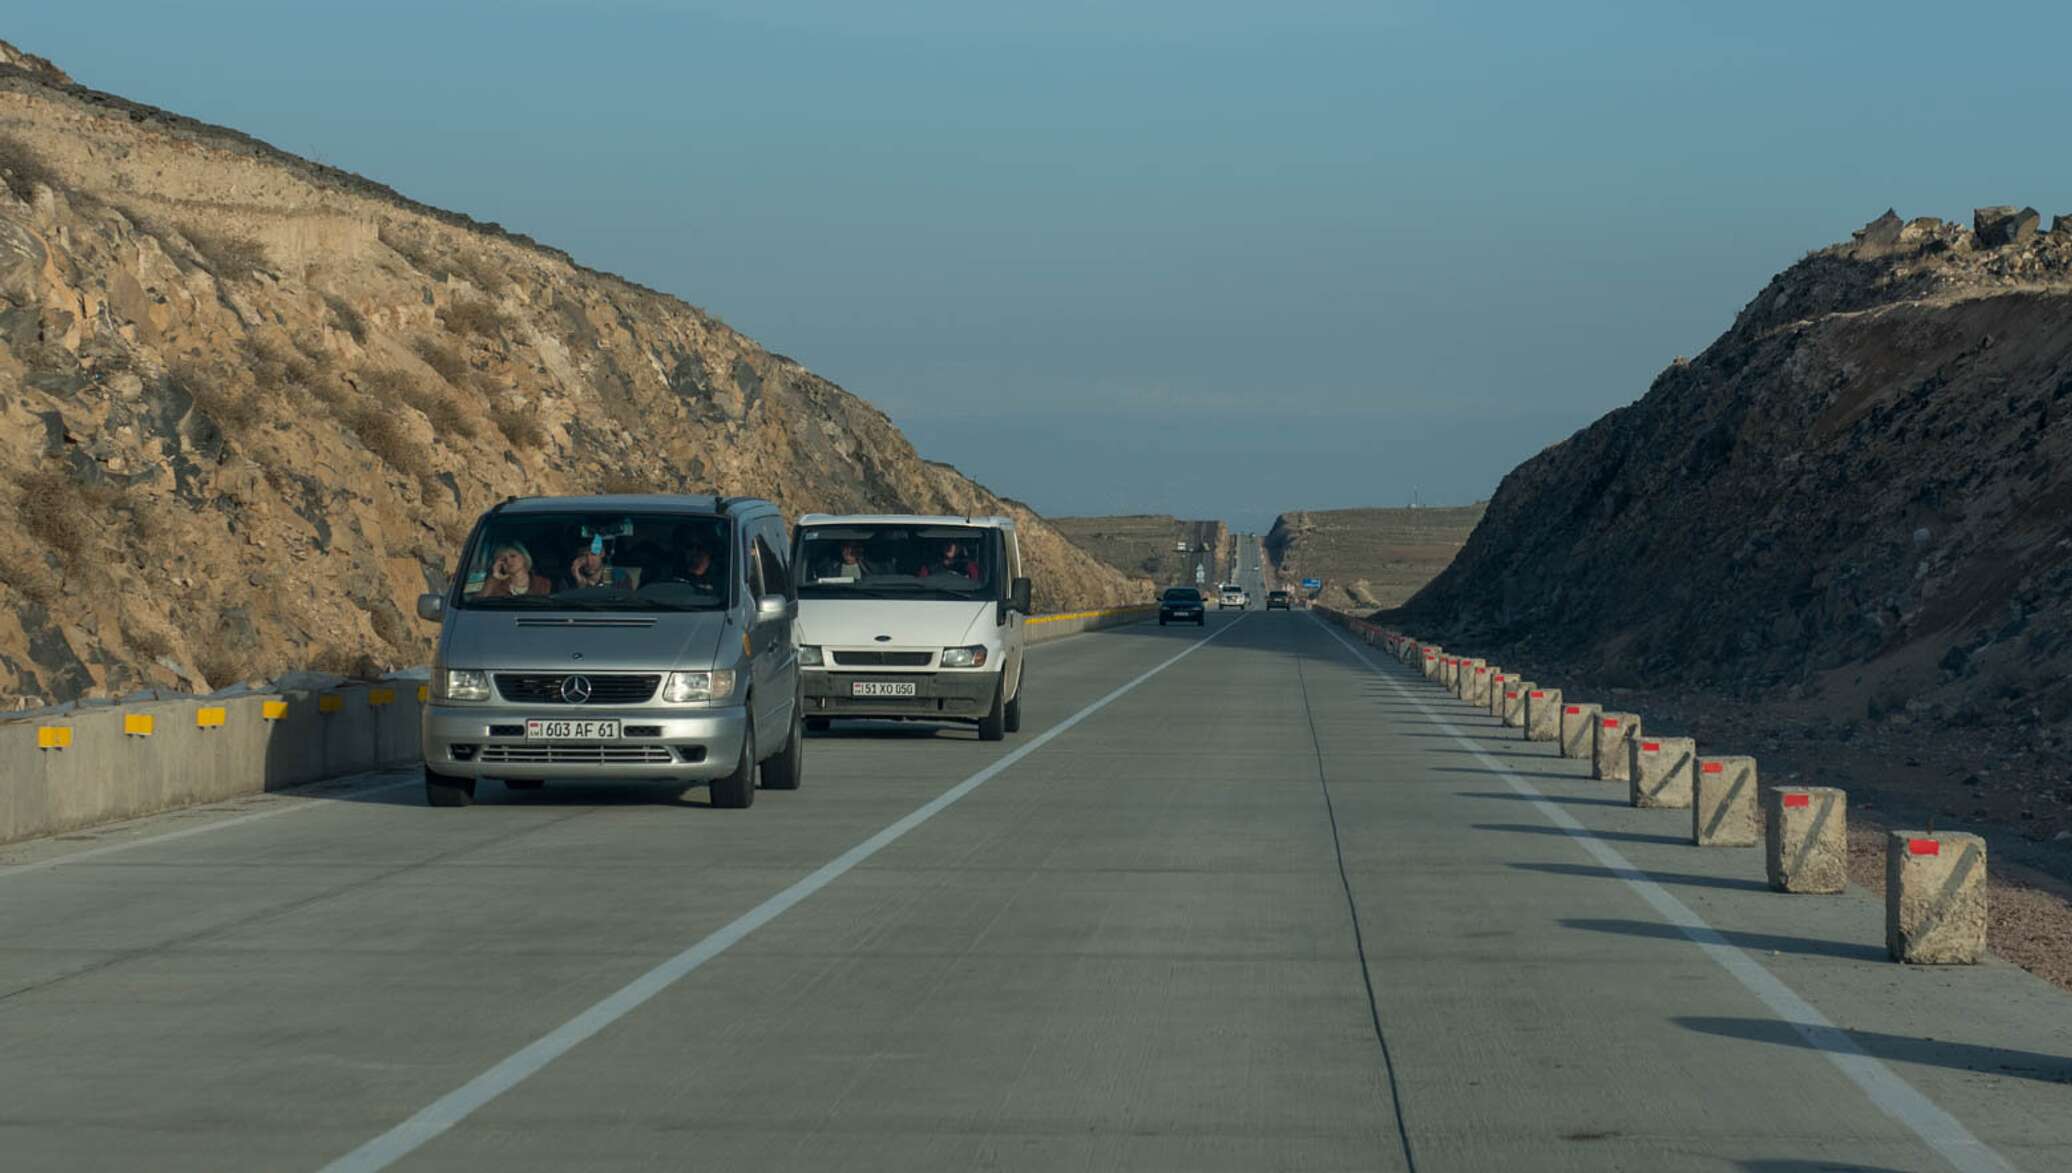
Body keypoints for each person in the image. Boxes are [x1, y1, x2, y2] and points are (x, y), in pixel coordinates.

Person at [478, 542, 551, 597]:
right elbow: (478, 604)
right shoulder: (495, 583)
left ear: (524, 557)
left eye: (513, 556)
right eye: (503, 559)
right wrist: (494, 578)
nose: (508, 561)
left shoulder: (543, 583)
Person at [916, 539, 980, 582]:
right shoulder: (929, 568)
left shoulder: (970, 567)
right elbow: (922, 585)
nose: (949, 545)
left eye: (953, 541)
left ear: (959, 546)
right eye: (946, 542)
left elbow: (976, 585)